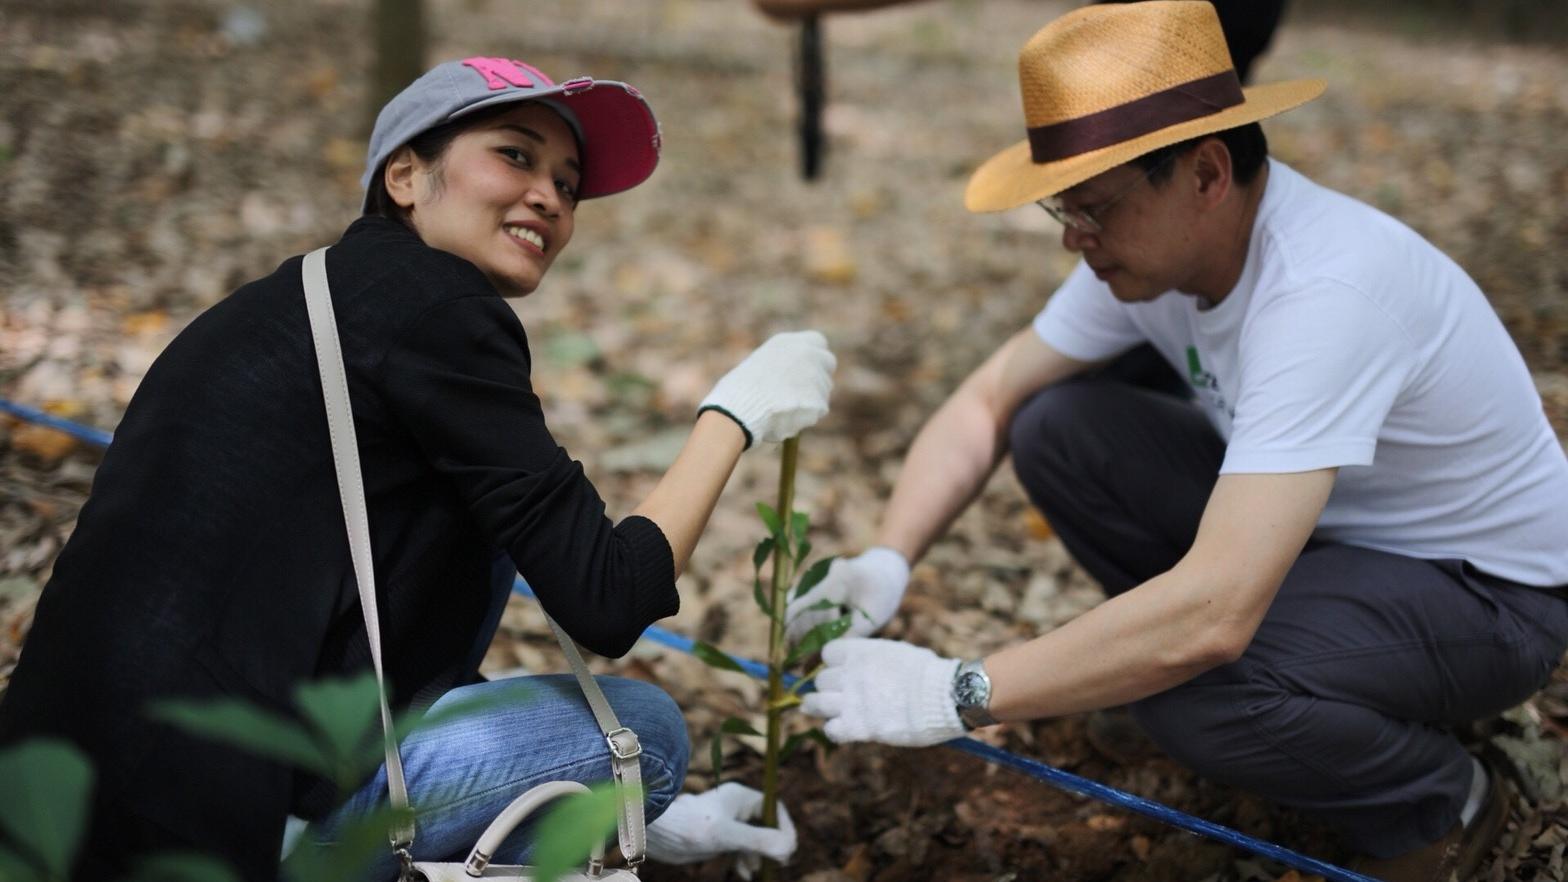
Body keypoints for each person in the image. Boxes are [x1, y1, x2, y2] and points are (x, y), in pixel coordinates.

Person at [789, 4, 1568, 880]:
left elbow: (1214, 617)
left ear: (1204, 172)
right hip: (1329, 538)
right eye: (1061, 207)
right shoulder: (1147, 255)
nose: (1071, 238)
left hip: (1488, 594)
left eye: (1092, 209)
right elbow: (992, 399)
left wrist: (959, 691)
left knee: (1193, 681)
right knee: (1058, 427)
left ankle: (1440, 802)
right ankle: (1245, 686)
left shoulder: (1325, 293)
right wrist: (888, 559)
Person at [0, 56, 828, 880]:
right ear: (404, 175)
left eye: (568, 185)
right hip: (217, 829)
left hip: (64, 798)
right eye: (515, 155)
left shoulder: (303, 302)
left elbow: (379, 635)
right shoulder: (438, 307)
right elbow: (608, 598)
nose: (549, 195)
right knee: (646, 733)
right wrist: (733, 416)